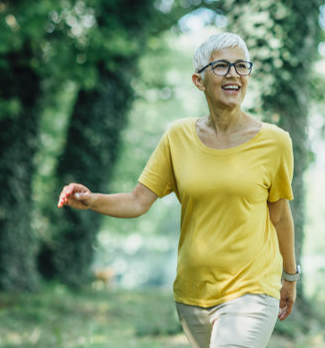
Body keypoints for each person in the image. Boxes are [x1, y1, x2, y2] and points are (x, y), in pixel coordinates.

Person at [57, 32, 298, 348]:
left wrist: (290, 277)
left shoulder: (275, 142)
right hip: (193, 295)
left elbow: (280, 216)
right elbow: (137, 200)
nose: (234, 74)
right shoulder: (177, 137)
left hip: (251, 291)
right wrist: (92, 201)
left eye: (242, 66)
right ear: (199, 81)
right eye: (222, 66)